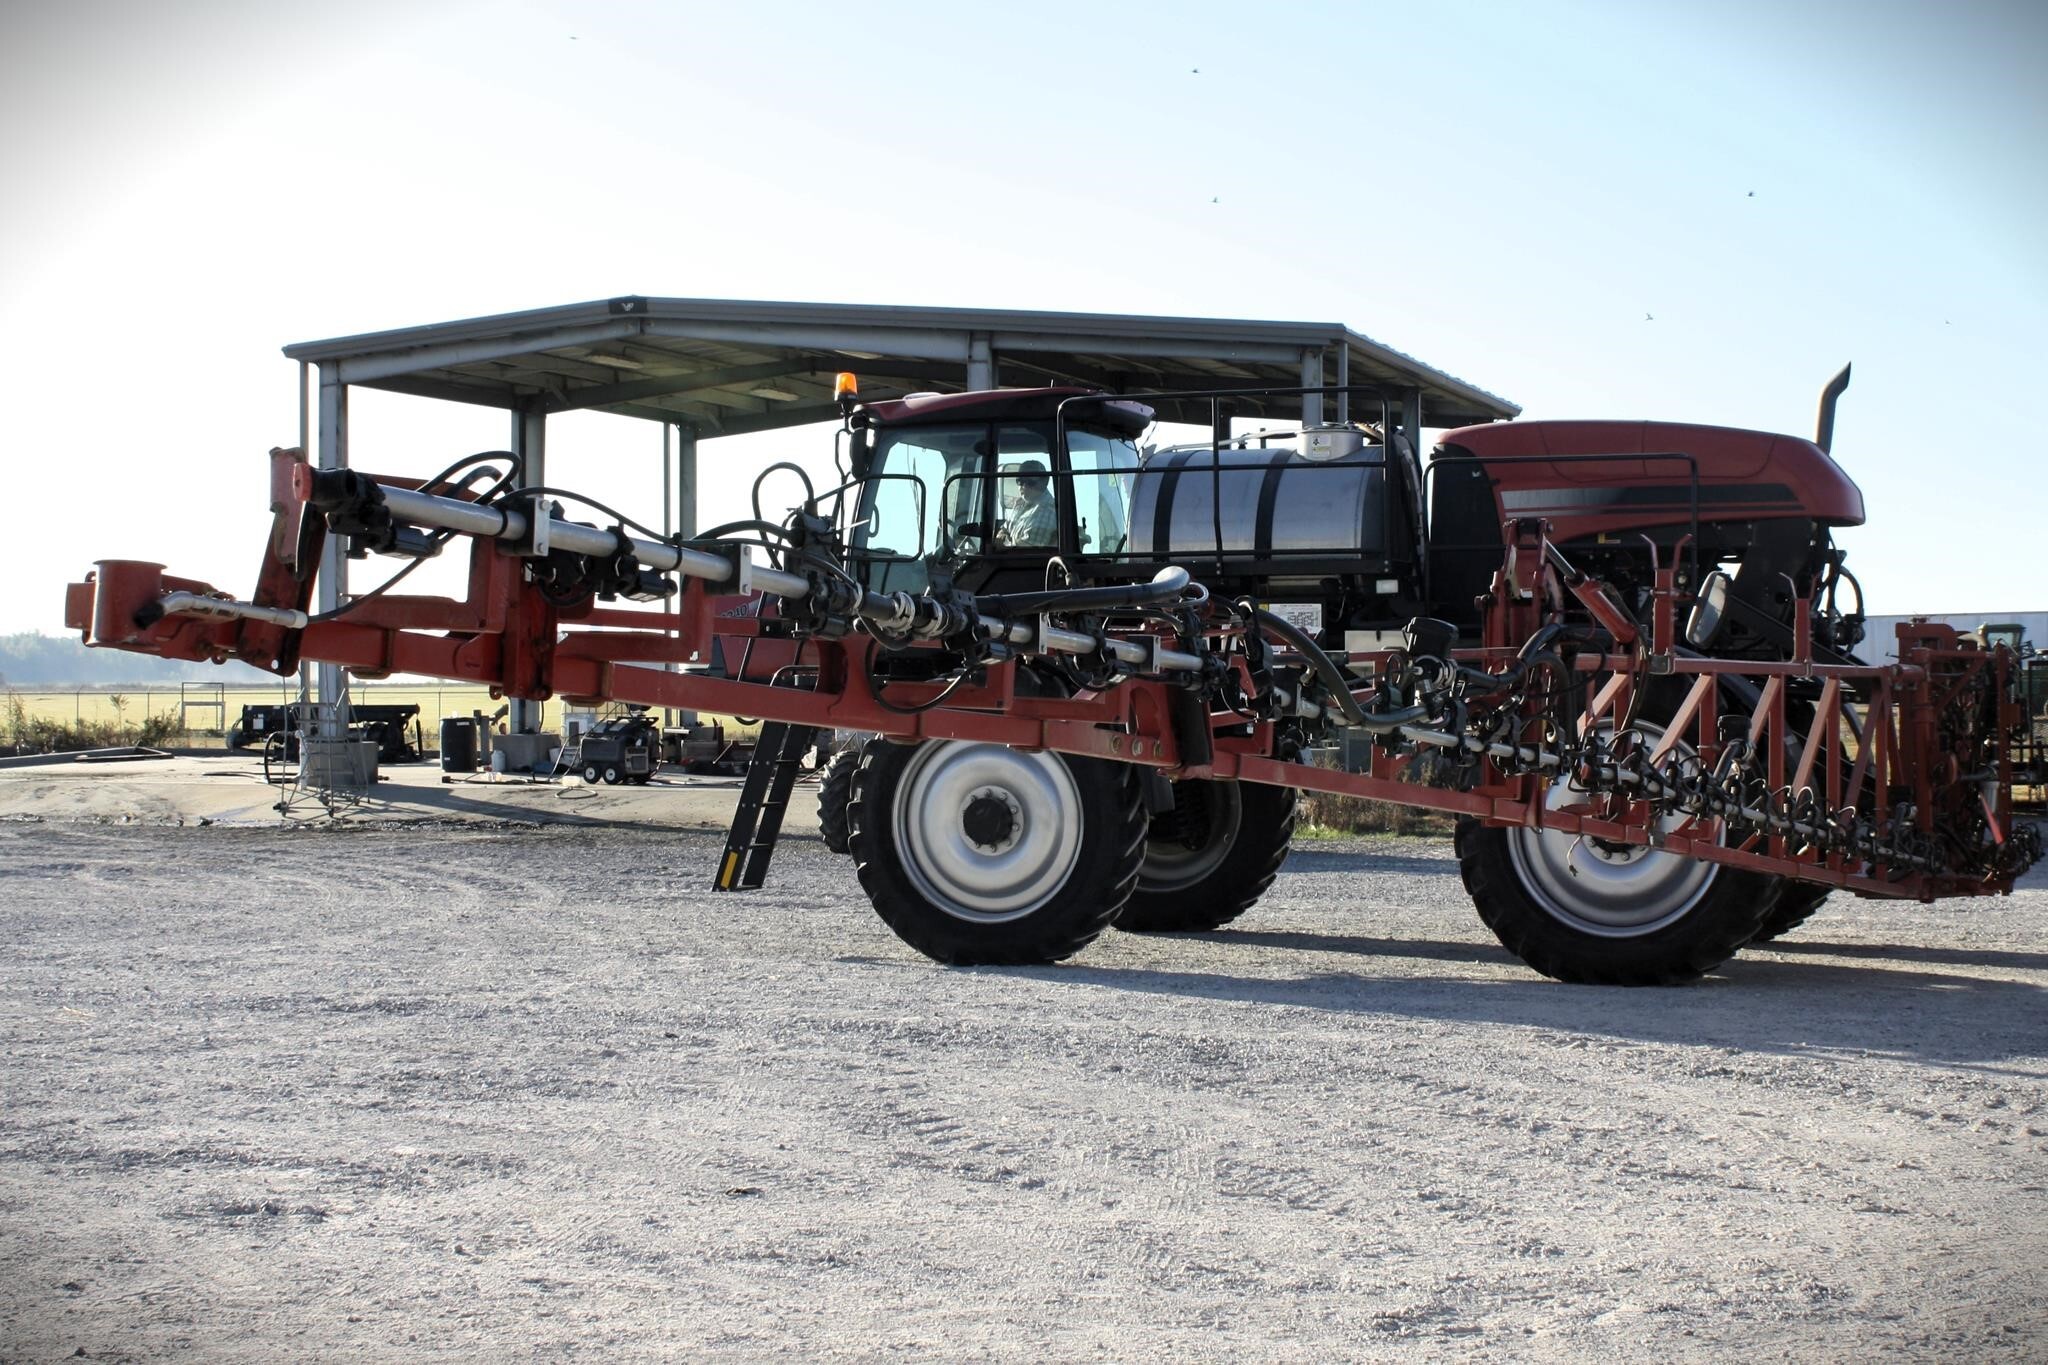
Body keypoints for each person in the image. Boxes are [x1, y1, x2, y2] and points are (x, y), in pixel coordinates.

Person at [1004, 459, 1057, 547]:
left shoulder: (1048, 510)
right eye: (1020, 481)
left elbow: (1027, 551)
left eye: (1030, 482)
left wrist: (1002, 544)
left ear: (1045, 481)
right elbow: (1004, 529)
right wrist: (1002, 536)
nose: (1023, 487)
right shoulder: (1020, 504)